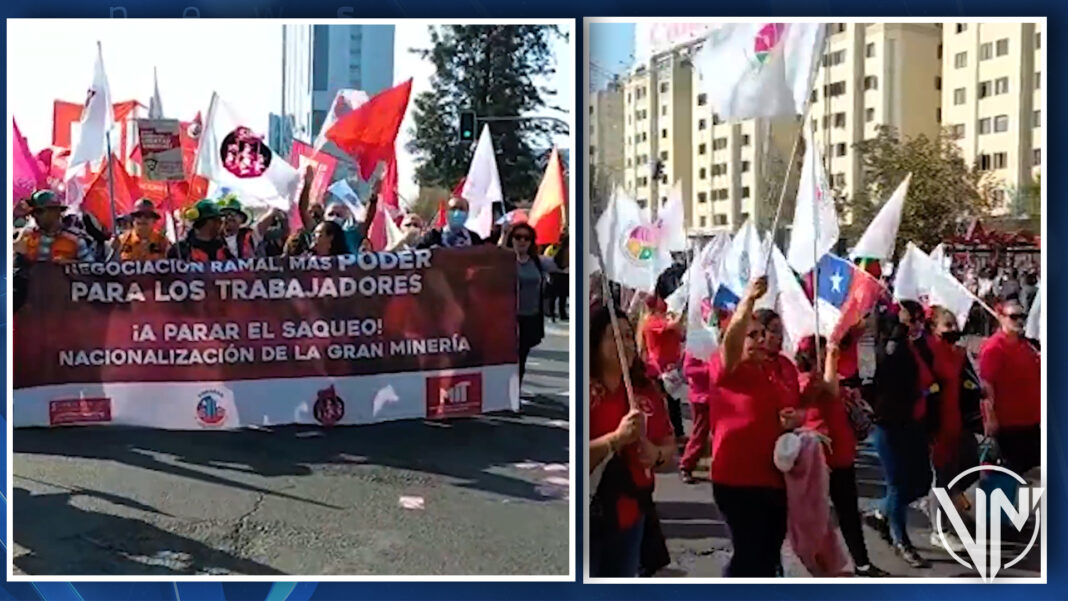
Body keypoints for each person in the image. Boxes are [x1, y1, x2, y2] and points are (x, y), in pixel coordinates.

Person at [707, 277, 801, 577]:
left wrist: (791, 421)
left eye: (764, 334)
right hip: (736, 481)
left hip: (773, 478)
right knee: (750, 557)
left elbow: (794, 412)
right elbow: (731, 343)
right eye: (753, 336)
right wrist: (747, 301)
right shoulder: (726, 368)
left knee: (770, 555)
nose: (762, 340)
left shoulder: (770, 371)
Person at [589, 304, 677, 577]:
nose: (625, 343)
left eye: (629, 336)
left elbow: (668, 444)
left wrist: (656, 455)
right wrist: (614, 440)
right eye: (614, 336)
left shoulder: (645, 390)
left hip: (631, 516)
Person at [797, 336, 887, 577]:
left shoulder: (830, 379)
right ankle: (820, 566)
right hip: (821, 460)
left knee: (848, 513)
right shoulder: (807, 382)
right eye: (824, 353)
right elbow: (827, 389)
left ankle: (862, 563)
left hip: (842, 457)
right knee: (817, 517)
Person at [863, 300, 934, 568]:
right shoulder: (890, 346)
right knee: (898, 483)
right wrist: (898, 331)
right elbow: (889, 374)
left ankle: (882, 512)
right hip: (890, 424)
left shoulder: (919, 347)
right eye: (911, 319)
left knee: (922, 481)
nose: (917, 324)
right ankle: (900, 540)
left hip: (915, 423)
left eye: (920, 319)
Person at [922, 305, 980, 554]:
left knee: (964, 471)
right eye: (947, 326)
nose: (953, 330)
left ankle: (949, 510)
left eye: (955, 326)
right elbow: (923, 389)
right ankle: (939, 530)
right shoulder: (927, 353)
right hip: (937, 424)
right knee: (942, 476)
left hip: (957, 420)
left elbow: (969, 380)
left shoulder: (957, 352)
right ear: (934, 328)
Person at [979, 300, 1041, 476]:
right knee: (1011, 474)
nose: (1019, 321)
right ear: (1001, 318)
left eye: (1022, 316)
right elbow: (986, 385)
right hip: (1010, 424)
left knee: (1032, 472)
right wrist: (990, 419)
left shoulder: (1027, 345)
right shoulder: (993, 348)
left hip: (1031, 420)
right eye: (1013, 317)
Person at [637, 292, 685, 443]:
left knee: (673, 401)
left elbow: (680, 334)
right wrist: (684, 308)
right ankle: (669, 433)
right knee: (665, 402)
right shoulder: (651, 321)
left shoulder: (661, 320)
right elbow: (674, 326)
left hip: (670, 368)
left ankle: (676, 433)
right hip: (658, 368)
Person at [508, 223, 547, 382]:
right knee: (507, 358)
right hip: (507, 319)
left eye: (527, 238)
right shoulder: (504, 260)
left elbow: (561, 264)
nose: (522, 241)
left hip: (530, 317)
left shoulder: (537, 261)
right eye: (518, 237)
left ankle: (515, 393)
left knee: (521, 358)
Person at [13, 190, 93, 263]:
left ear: (56, 212)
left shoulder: (74, 240)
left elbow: (91, 268)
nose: (35, 216)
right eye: (34, 213)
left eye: (40, 212)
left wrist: (70, 264)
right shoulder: (26, 236)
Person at [216, 193, 285, 259]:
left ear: (241, 220)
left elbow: (263, 224)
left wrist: (276, 206)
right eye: (226, 214)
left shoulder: (248, 236)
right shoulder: (215, 239)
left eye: (234, 215)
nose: (229, 217)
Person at [168, 199, 234, 262]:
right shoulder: (179, 250)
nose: (221, 223)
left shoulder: (224, 249)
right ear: (209, 222)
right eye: (219, 220)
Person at [415, 196, 484, 249]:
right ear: (446, 212)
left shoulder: (474, 238)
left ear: (467, 213)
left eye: (461, 209)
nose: (457, 212)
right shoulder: (432, 236)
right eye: (453, 209)